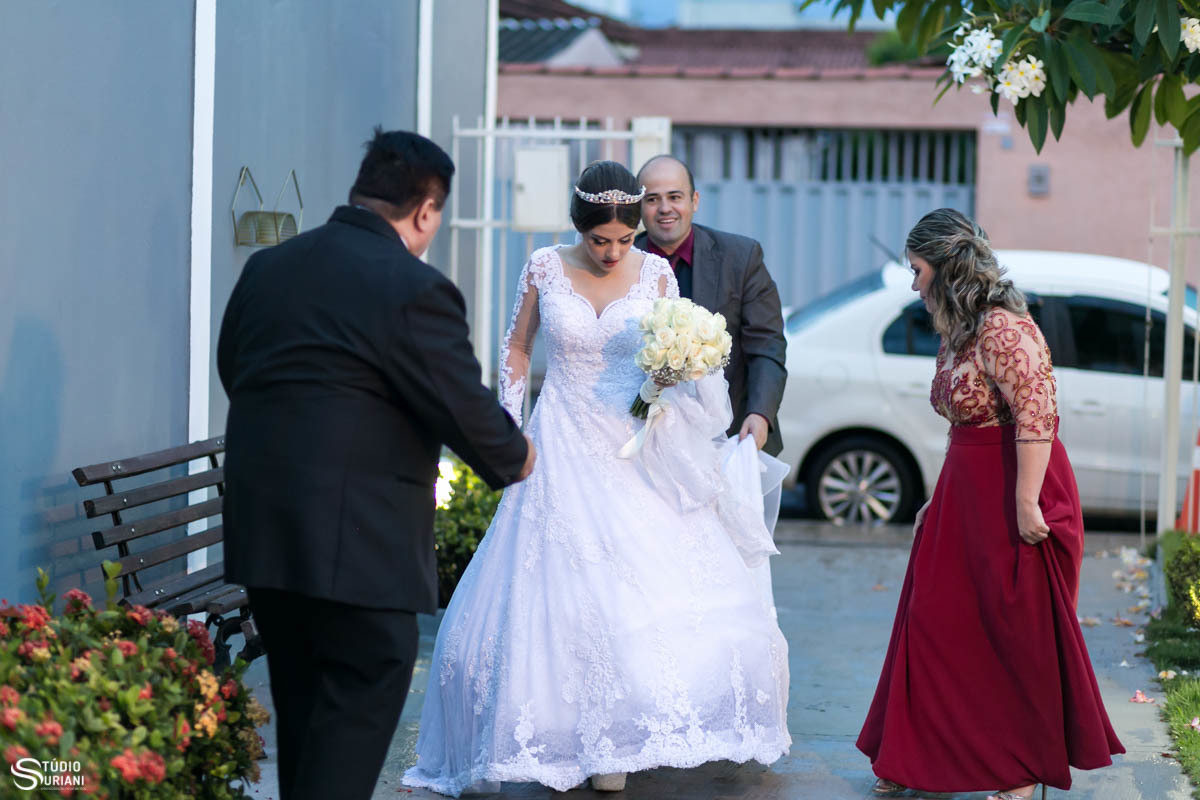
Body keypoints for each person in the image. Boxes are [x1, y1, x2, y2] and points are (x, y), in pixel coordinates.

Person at [402, 161, 791, 796]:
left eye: (624, 240)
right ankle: (564, 731)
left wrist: (673, 377)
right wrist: (512, 425)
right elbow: (518, 348)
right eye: (599, 240)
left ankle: (616, 736)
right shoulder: (544, 266)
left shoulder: (658, 273)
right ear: (578, 228)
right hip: (557, 439)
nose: (612, 252)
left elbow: (687, 351)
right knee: (559, 585)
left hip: (634, 442)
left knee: (637, 586)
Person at [217, 128, 535, 800]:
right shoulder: (413, 287)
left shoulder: (269, 269)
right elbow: (463, 407)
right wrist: (516, 453)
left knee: (305, 722)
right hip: (362, 554)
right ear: (425, 211)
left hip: (267, 543)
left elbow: (235, 370)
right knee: (352, 725)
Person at [857, 208, 1124, 799]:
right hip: (965, 494)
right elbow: (963, 426)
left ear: (946, 267)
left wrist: (1027, 502)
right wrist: (937, 497)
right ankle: (915, 756)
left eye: (917, 269)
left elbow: (1038, 412)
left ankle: (1018, 769)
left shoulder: (1004, 328)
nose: (913, 282)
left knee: (1012, 634)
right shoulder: (959, 331)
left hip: (1016, 488)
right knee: (934, 624)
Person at [635, 155, 787, 455]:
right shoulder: (624, 261)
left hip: (727, 434)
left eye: (675, 197)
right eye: (652, 199)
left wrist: (760, 413)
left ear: (695, 200)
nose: (665, 208)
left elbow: (767, 345)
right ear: (640, 208)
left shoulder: (741, 258)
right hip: (643, 439)